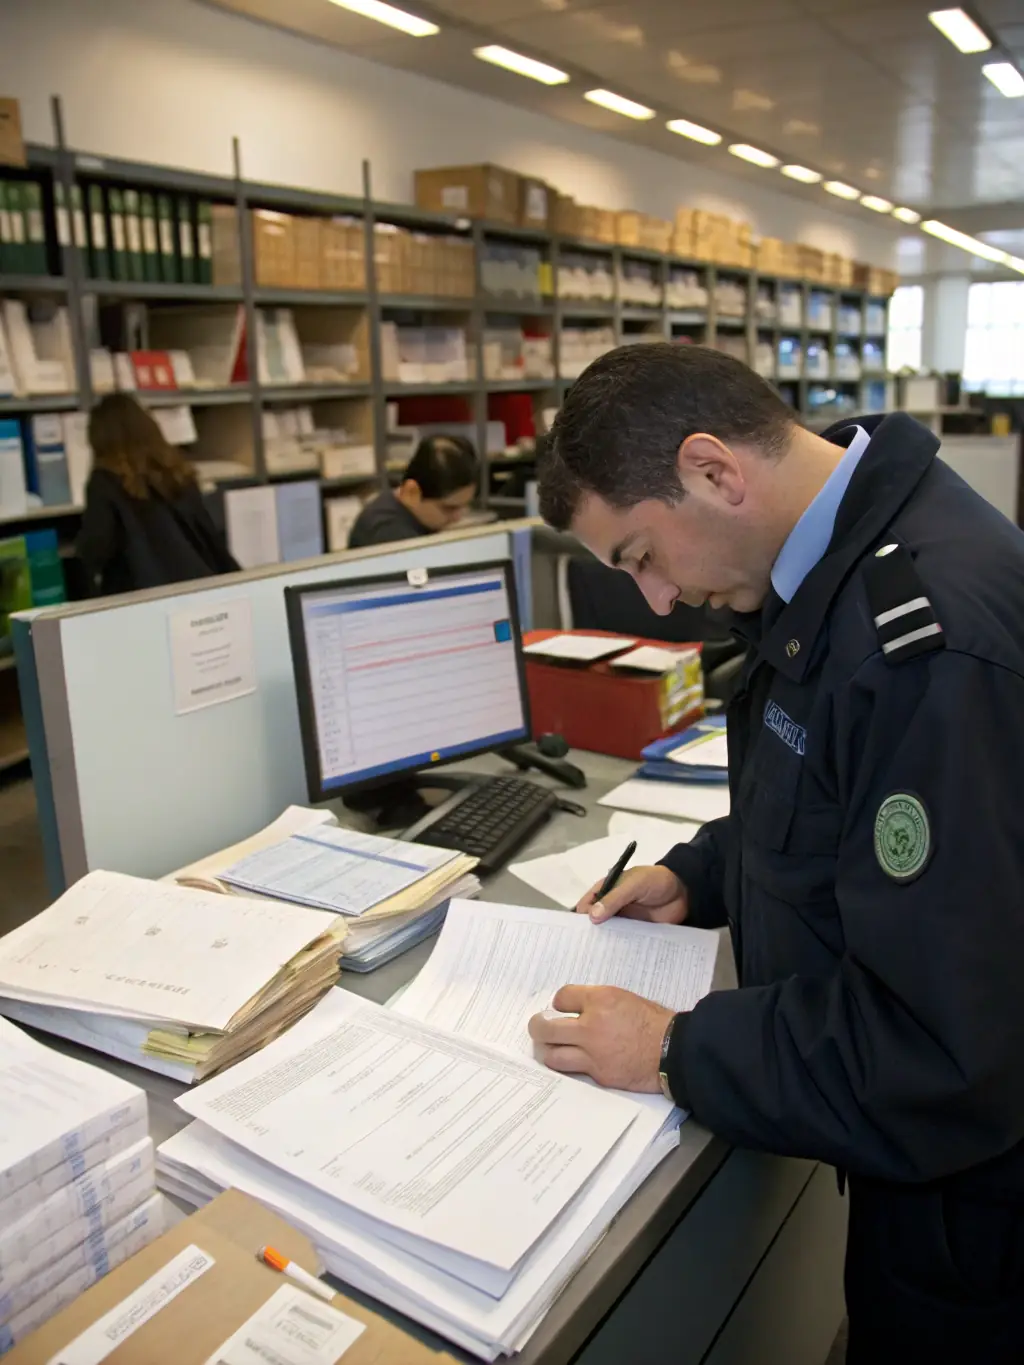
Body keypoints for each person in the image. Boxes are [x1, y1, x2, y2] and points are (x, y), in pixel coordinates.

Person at [528, 343, 1024, 1364]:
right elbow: (840, 801)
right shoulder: (828, 560)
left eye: (638, 557)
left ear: (714, 472)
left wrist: (673, 1049)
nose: (656, 601)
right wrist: (702, 875)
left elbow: (939, 1047)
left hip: (977, 1222)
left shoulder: (926, 646)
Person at [76, 394, 239, 595]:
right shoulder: (178, 474)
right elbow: (209, 537)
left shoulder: (104, 482)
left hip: (142, 600)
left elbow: (96, 550)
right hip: (198, 590)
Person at [347, 434, 478, 549]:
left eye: (464, 506)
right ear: (412, 493)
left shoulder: (412, 516)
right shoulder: (388, 535)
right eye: (449, 509)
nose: (458, 518)